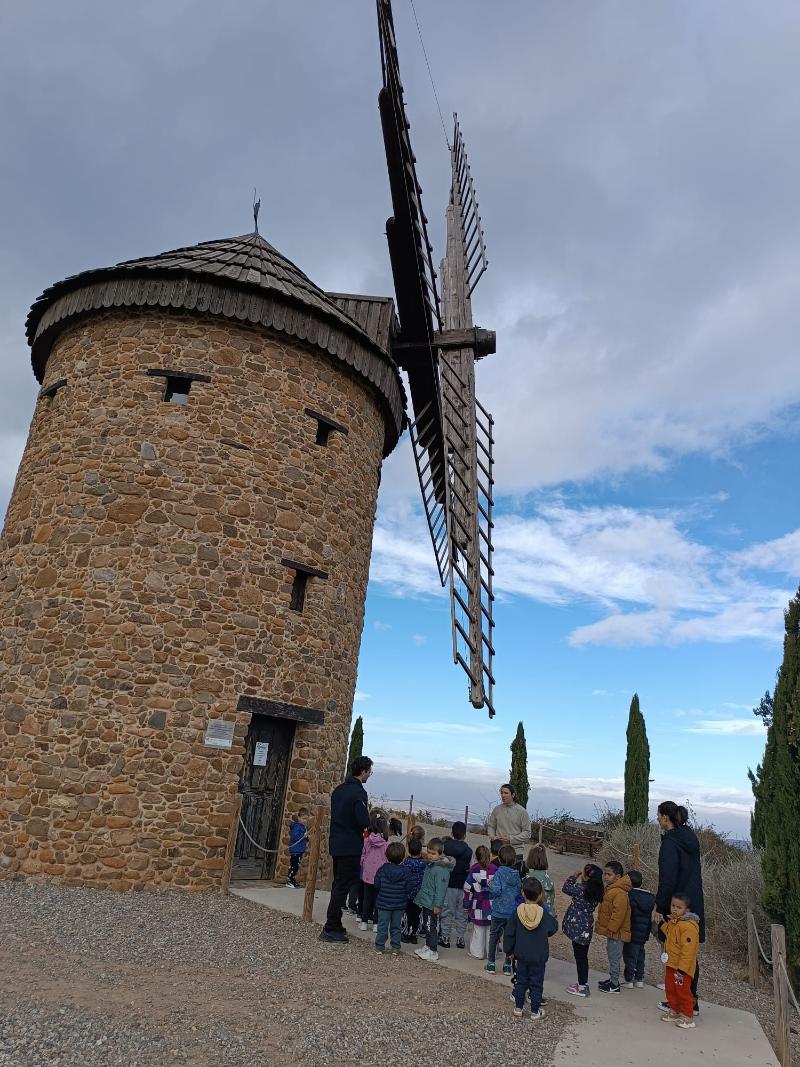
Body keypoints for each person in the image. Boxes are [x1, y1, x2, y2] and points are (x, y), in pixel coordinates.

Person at [655, 801, 705, 1015]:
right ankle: (691, 1000)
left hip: (676, 905)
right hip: (692, 902)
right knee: (689, 953)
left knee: (675, 952)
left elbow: (667, 878)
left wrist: (660, 906)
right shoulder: (689, 837)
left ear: (666, 817)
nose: (657, 819)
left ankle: (680, 1004)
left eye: (658, 815)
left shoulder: (670, 843)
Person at [321, 755, 372, 943]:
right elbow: (363, 820)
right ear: (363, 771)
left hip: (336, 843)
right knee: (343, 886)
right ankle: (330, 927)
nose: (370, 775)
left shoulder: (339, 790)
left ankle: (335, 923)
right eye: (369, 771)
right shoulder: (359, 793)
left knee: (338, 884)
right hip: (350, 846)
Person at [503, 876, 559, 1019]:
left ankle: (518, 1007)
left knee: (521, 981)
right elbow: (553, 928)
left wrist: (509, 951)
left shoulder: (517, 912)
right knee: (536, 982)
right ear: (540, 895)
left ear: (522, 893)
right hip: (539, 955)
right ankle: (535, 1010)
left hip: (521, 954)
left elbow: (509, 933)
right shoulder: (543, 913)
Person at [658, 892, 700, 1029]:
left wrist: (682, 969)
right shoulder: (674, 922)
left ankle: (688, 1015)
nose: (675, 909)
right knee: (671, 988)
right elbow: (671, 934)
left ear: (686, 910)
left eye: (679, 907)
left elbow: (688, 950)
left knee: (682, 990)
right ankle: (675, 1010)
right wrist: (661, 924)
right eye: (673, 906)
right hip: (671, 964)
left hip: (682, 968)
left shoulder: (689, 927)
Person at [562, 863, 604, 997]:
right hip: (586, 926)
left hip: (576, 927)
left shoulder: (580, 889)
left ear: (586, 877)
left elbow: (566, 888)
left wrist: (573, 876)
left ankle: (582, 987)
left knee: (580, 957)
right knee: (582, 956)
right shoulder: (597, 891)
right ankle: (582, 983)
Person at [413, 838, 455, 963]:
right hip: (427, 901)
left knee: (430, 926)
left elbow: (441, 890)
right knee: (426, 924)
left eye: (433, 853)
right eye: (429, 852)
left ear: (440, 854)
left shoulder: (441, 870)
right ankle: (428, 946)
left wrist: (438, 905)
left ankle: (433, 950)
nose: (430, 855)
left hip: (432, 903)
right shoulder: (431, 865)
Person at [596, 860, 632, 993]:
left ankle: (614, 984)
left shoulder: (619, 893)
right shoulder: (612, 889)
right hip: (613, 932)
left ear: (617, 877)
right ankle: (612, 979)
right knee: (612, 956)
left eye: (609, 874)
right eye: (605, 874)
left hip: (616, 933)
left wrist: (611, 929)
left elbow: (619, 914)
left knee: (614, 957)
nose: (605, 877)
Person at [486, 844, 522, 975]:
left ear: (499, 859)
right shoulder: (516, 875)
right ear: (514, 859)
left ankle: (491, 963)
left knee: (494, 936)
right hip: (511, 912)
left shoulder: (499, 872)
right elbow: (519, 890)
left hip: (498, 911)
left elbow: (496, 890)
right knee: (510, 938)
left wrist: (490, 884)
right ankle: (507, 965)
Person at [439, 821, 473, 949]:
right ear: (465, 835)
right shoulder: (469, 851)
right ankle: (460, 939)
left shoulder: (445, 846)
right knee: (461, 914)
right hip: (463, 886)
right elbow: (470, 868)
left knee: (447, 912)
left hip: (448, 884)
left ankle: (445, 938)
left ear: (452, 832)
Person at [373, 842, 410, 955]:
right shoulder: (405, 871)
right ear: (402, 856)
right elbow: (408, 887)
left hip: (383, 903)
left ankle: (380, 946)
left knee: (382, 925)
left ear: (387, 855)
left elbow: (376, 884)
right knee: (396, 926)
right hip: (399, 904)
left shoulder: (382, 869)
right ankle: (395, 947)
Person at [623, 869, 655, 988]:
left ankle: (629, 980)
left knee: (630, 956)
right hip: (643, 933)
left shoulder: (630, 895)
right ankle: (639, 979)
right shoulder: (650, 897)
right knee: (640, 955)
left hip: (632, 931)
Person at [463, 844, 497, 959]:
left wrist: (466, 905)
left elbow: (467, 889)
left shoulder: (473, 870)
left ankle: (477, 952)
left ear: (476, 857)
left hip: (478, 904)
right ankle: (491, 953)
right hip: (492, 905)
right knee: (491, 931)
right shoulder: (495, 869)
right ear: (489, 856)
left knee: (478, 929)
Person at [359, 813, 389, 930]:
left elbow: (363, 854)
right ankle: (376, 924)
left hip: (368, 873)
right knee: (378, 900)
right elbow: (387, 858)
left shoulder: (367, 840)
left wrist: (363, 863)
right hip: (380, 875)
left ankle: (364, 922)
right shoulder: (386, 843)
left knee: (367, 899)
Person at [487, 785, 531, 864]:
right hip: (498, 851)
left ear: (513, 795)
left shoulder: (522, 811)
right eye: (501, 793)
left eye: (506, 793)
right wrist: (493, 837)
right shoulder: (497, 809)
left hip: (516, 853)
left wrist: (511, 839)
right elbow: (491, 826)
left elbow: (527, 833)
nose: (503, 795)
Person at [400, 837, 427, 944]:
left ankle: (405, 933)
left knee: (406, 914)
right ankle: (414, 935)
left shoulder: (406, 863)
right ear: (420, 850)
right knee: (417, 915)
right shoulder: (425, 865)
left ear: (409, 851)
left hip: (407, 894)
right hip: (419, 895)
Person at [522, 843, 556, 917]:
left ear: (530, 859)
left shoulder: (529, 879)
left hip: (535, 915)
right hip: (549, 914)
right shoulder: (548, 877)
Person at [286, 808, 308, 888]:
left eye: (306, 819)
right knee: (294, 866)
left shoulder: (303, 827)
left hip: (299, 850)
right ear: (299, 817)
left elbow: (304, 838)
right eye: (303, 818)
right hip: (296, 850)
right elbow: (294, 837)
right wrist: (303, 835)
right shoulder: (297, 827)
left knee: (296, 866)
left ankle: (292, 879)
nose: (305, 820)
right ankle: (290, 880)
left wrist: (307, 837)